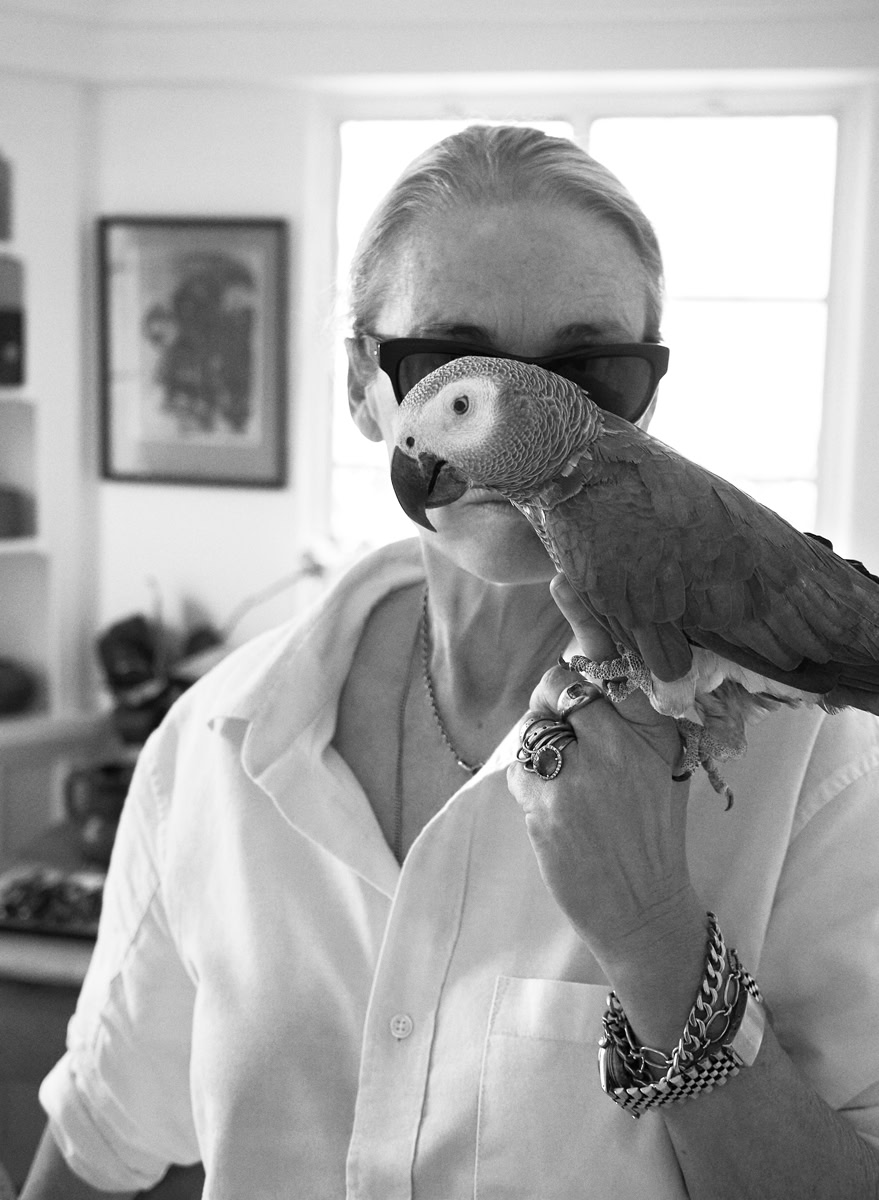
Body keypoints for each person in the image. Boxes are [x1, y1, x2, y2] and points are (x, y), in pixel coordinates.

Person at [21, 125, 879, 1199]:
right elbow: (97, 1135)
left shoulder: (820, 769)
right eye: (444, 362)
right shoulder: (214, 740)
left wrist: (658, 941)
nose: (507, 403)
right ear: (364, 389)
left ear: (645, 398)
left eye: (590, 364)